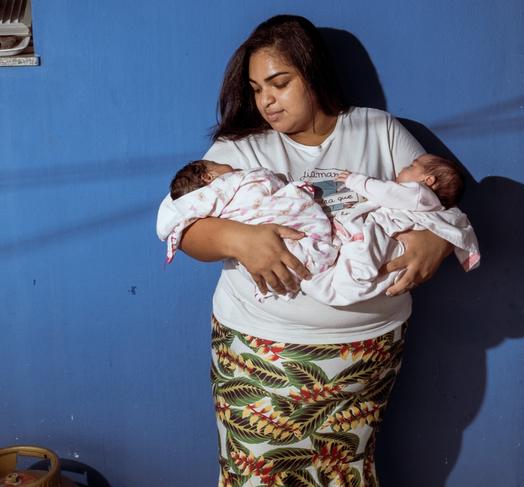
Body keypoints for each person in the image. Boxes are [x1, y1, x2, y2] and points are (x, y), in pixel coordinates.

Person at [156, 14, 478, 486]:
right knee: (256, 475)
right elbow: (182, 225)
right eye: (256, 89)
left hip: (365, 356)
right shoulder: (240, 148)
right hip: (262, 355)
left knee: (344, 473)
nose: (266, 101)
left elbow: (436, 195)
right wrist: (238, 239)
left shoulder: (378, 130)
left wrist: (437, 242)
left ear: (313, 73)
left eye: (279, 84)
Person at [301, 154, 480, 305]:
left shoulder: (418, 192)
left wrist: (354, 180)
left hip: (380, 235)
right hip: (385, 242)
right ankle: (333, 282)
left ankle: (346, 279)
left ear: (428, 181)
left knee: (359, 263)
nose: (401, 168)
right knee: (352, 273)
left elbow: (385, 192)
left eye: (411, 166)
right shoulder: (433, 206)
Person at [158, 159, 338, 300]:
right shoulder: (230, 173)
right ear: (208, 176)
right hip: (255, 328)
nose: (233, 168)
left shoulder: (200, 202)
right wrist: (242, 239)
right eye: (217, 164)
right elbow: (178, 225)